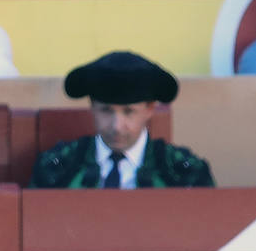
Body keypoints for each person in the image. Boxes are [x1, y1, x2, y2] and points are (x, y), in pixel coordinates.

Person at [31, 51, 215, 188]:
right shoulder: (56, 167)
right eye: (106, 110)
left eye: (129, 112)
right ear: (92, 106)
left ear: (150, 109)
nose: (117, 126)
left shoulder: (185, 173)